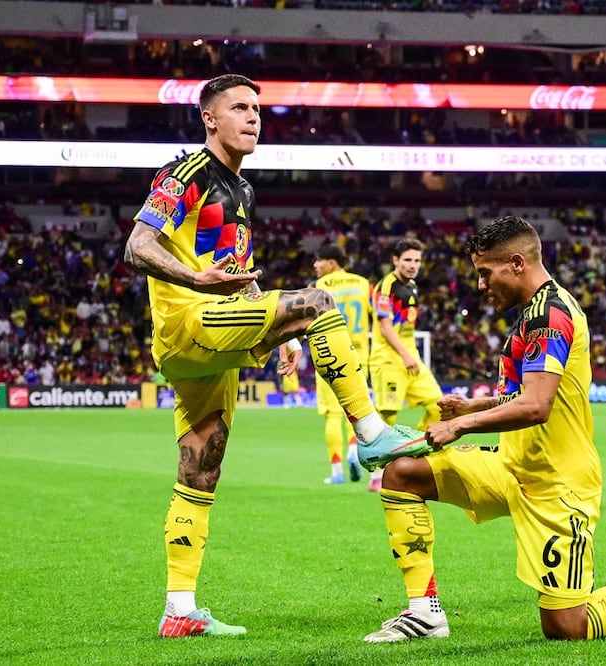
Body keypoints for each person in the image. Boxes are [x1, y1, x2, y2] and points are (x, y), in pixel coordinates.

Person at [123, 74, 431, 638]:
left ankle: (179, 610)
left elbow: (236, 278)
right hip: (189, 323)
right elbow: (137, 245)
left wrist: (283, 335)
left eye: (257, 109)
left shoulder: (241, 192)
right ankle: (369, 431)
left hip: (209, 340)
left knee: (201, 468)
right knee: (318, 300)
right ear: (210, 119)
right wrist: (197, 279)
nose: (253, 117)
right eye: (238, 107)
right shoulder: (187, 172)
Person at [361, 216, 606, 643]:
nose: (480, 285)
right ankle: (424, 612)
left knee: (566, 627)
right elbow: (524, 394)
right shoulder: (533, 313)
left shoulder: (550, 315)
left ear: (517, 263)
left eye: (486, 273)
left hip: (558, 483)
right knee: (403, 473)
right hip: (510, 465)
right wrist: (473, 404)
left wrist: (462, 424)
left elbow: (537, 406)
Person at [368, 238, 443, 491]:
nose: (413, 265)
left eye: (417, 261)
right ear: (395, 260)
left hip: (412, 359)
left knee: (439, 407)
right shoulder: (386, 286)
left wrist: (411, 356)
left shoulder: (411, 286)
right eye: (408, 260)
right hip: (389, 359)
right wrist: (405, 355)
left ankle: (413, 447)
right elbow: (384, 324)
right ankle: (377, 472)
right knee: (387, 416)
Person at [311, 244, 371, 487]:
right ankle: (354, 451)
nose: (316, 265)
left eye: (319, 261)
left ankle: (336, 471)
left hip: (329, 353)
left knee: (332, 415)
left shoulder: (320, 286)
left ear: (332, 263)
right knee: (354, 410)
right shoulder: (363, 283)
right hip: (358, 355)